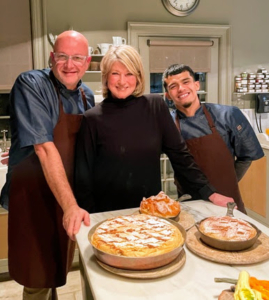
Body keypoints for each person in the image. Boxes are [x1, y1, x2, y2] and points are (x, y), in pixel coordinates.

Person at [75, 44, 235, 214]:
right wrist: (91, 217)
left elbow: (180, 156)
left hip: (150, 212)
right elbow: (83, 177)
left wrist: (209, 192)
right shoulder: (91, 119)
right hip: (107, 215)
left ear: (138, 77)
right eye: (115, 74)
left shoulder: (154, 106)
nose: (122, 81)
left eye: (129, 74)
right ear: (106, 77)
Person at [0, 30, 94, 300]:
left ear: (87, 63)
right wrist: (71, 205)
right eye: (62, 57)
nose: (69, 65)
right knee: (36, 273)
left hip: (67, 194)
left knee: (56, 263)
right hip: (34, 195)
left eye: (77, 58)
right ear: (52, 57)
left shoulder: (86, 95)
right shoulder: (31, 83)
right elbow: (43, 147)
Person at [162, 64, 264, 213]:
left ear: (197, 85)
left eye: (186, 82)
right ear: (168, 95)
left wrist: (227, 183)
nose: (181, 89)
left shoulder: (228, 115)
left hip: (227, 201)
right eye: (173, 86)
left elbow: (246, 157)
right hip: (189, 202)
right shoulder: (168, 125)